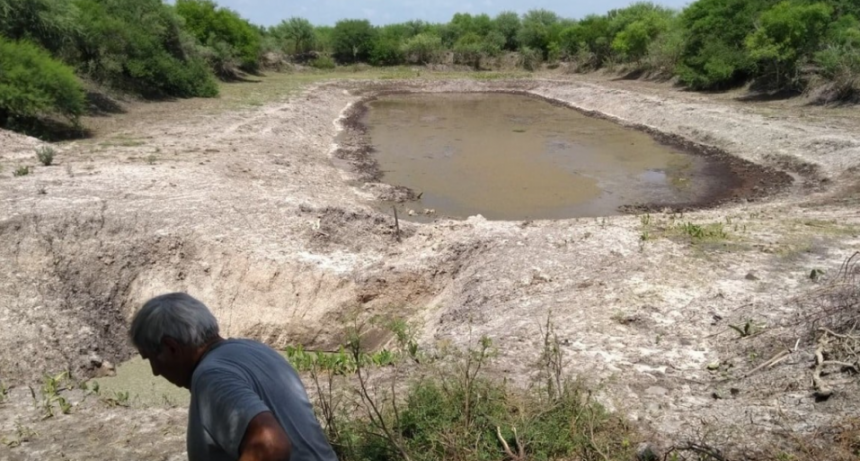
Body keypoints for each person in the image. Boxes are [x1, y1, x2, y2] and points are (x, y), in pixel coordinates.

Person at [129, 292, 338, 461]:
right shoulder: (256, 350)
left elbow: (270, 444)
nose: (155, 372)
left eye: (151, 359)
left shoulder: (211, 376)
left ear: (171, 348)